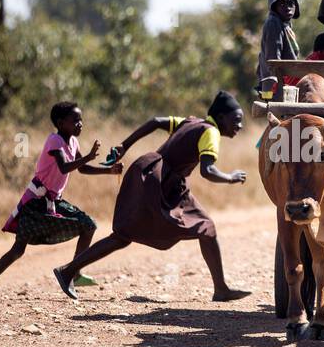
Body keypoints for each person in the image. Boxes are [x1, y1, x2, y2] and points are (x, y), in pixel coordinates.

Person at [52, 91, 252, 303]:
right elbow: (207, 170)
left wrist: (125, 145)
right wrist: (231, 177)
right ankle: (221, 289)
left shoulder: (191, 121)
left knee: (124, 235)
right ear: (221, 118)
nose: (239, 126)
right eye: (237, 120)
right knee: (206, 228)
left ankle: (68, 271)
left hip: (149, 170)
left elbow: (156, 121)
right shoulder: (210, 133)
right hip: (164, 183)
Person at [0, 102, 112, 302]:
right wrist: (90, 156)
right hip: (35, 203)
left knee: (89, 225)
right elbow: (65, 167)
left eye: (81, 120)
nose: (80, 124)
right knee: (18, 249)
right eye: (75, 120)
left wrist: (108, 170)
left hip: (54, 201)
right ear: (60, 122)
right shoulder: (54, 141)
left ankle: (74, 272)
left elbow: (82, 169)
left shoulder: (73, 141)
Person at [256, 0, 301, 100]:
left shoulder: (286, 25)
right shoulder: (273, 23)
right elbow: (274, 59)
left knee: (293, 117)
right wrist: (277, 88)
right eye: (282, 3)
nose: (288, 7)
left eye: (291, 3)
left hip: (283, 81)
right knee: (285, 114)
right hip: (275, 83)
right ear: (274, 6)